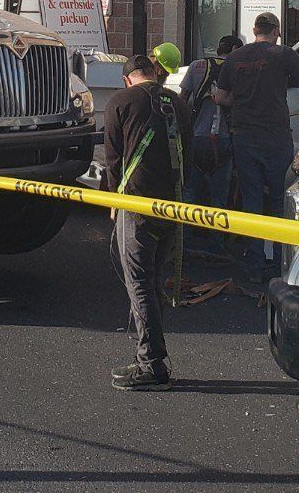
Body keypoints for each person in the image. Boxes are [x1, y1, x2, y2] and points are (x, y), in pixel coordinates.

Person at [214, 11, 299, 283]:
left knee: (252, 198)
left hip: (244, 136)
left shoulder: (234, 58)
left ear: (254, 29)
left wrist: (245, 101)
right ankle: (282, 262)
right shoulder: (282, 54)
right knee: (281, 198)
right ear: (277, 31)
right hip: (275, 136)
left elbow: (221, 97)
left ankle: (255, 263)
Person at [99, 52, 180, 391]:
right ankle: (146, 353)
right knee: (156, 279)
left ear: (127, 78)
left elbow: (113, 158)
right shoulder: (177, 102)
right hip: (173, 205)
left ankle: (152, 363)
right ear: (153, 73)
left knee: (139, 281)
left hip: (136, 202)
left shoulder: (120, 101)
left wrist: (112, 200)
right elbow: (186, 149)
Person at [178, 33, 240, 259]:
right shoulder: (237, 68)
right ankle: (216, 245)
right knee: (218, 198)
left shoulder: (197, 66)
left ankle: (185, 241)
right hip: (223, 142)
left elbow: (183, 100)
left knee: (190, 192)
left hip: (197, 139)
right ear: (233, 49)